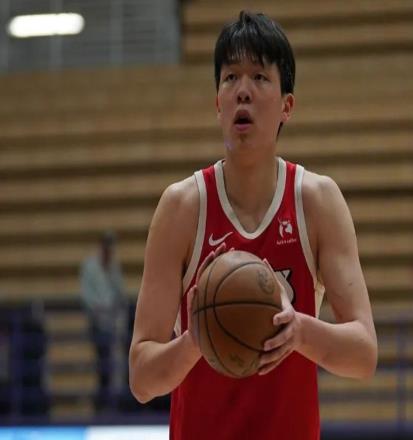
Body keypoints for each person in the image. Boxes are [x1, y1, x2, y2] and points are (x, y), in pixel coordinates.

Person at [129, 10, 377, 439]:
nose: (242, 90)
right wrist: (195, 340)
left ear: (287, 106)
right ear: (217, 104)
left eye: (259, 77)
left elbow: (364, 353)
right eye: (230, 78)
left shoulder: (316, 201)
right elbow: (141, 378)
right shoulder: (181, 208)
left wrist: (300, 331)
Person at [80, 230, 127, 411]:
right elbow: (86, 294)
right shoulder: (90, 266)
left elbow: (119, 291)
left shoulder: (114, 267)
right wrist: (98, 308)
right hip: (97, 322)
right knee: (102, 360)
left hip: (112, 322)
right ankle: (101, 401)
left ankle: (109, 401)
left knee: (112, 362)